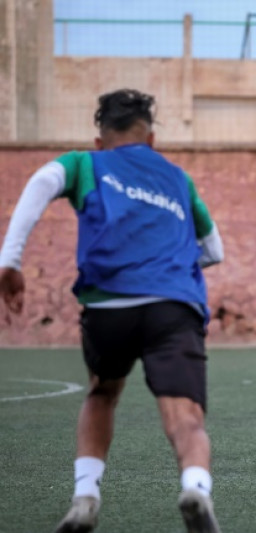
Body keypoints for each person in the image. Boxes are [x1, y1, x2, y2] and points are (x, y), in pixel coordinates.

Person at [0, 89, 224, 533]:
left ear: (100, 139)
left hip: (109, 307)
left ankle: (86, 497)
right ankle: (196, 488)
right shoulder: (178, 178)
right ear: (152, 139)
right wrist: (168, 265)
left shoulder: (86, 163)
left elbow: (42, 181)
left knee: (102, 394)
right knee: (185, 416)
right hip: (172, 306)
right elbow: (214, 250)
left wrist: (10, 260)